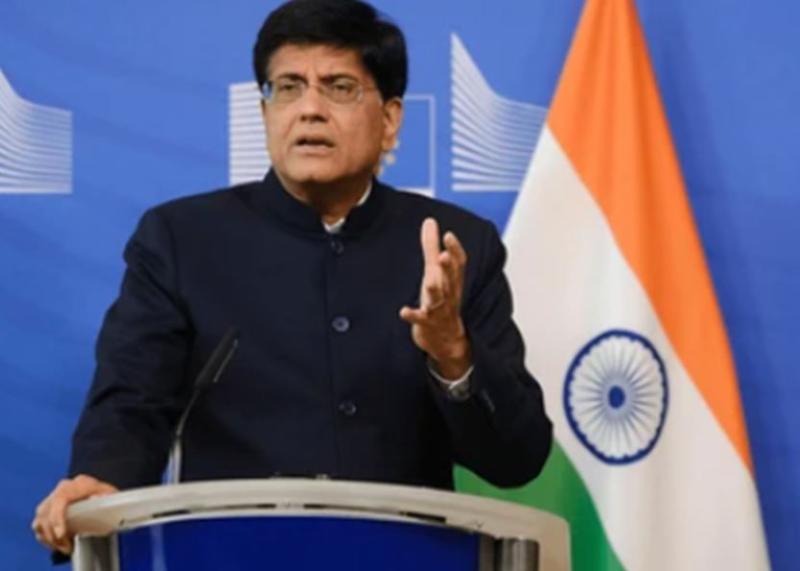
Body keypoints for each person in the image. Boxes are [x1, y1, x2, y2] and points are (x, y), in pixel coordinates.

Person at [32, 0, 552, 556]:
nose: (309, 110)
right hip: (228, 555)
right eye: (288, 87)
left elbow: (516, 458)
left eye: (339, 87)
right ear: (265, 113)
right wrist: (101, 479)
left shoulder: (455, 247)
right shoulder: (181, 240)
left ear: (390, 119)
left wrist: (453, 354)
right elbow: (132, 401)